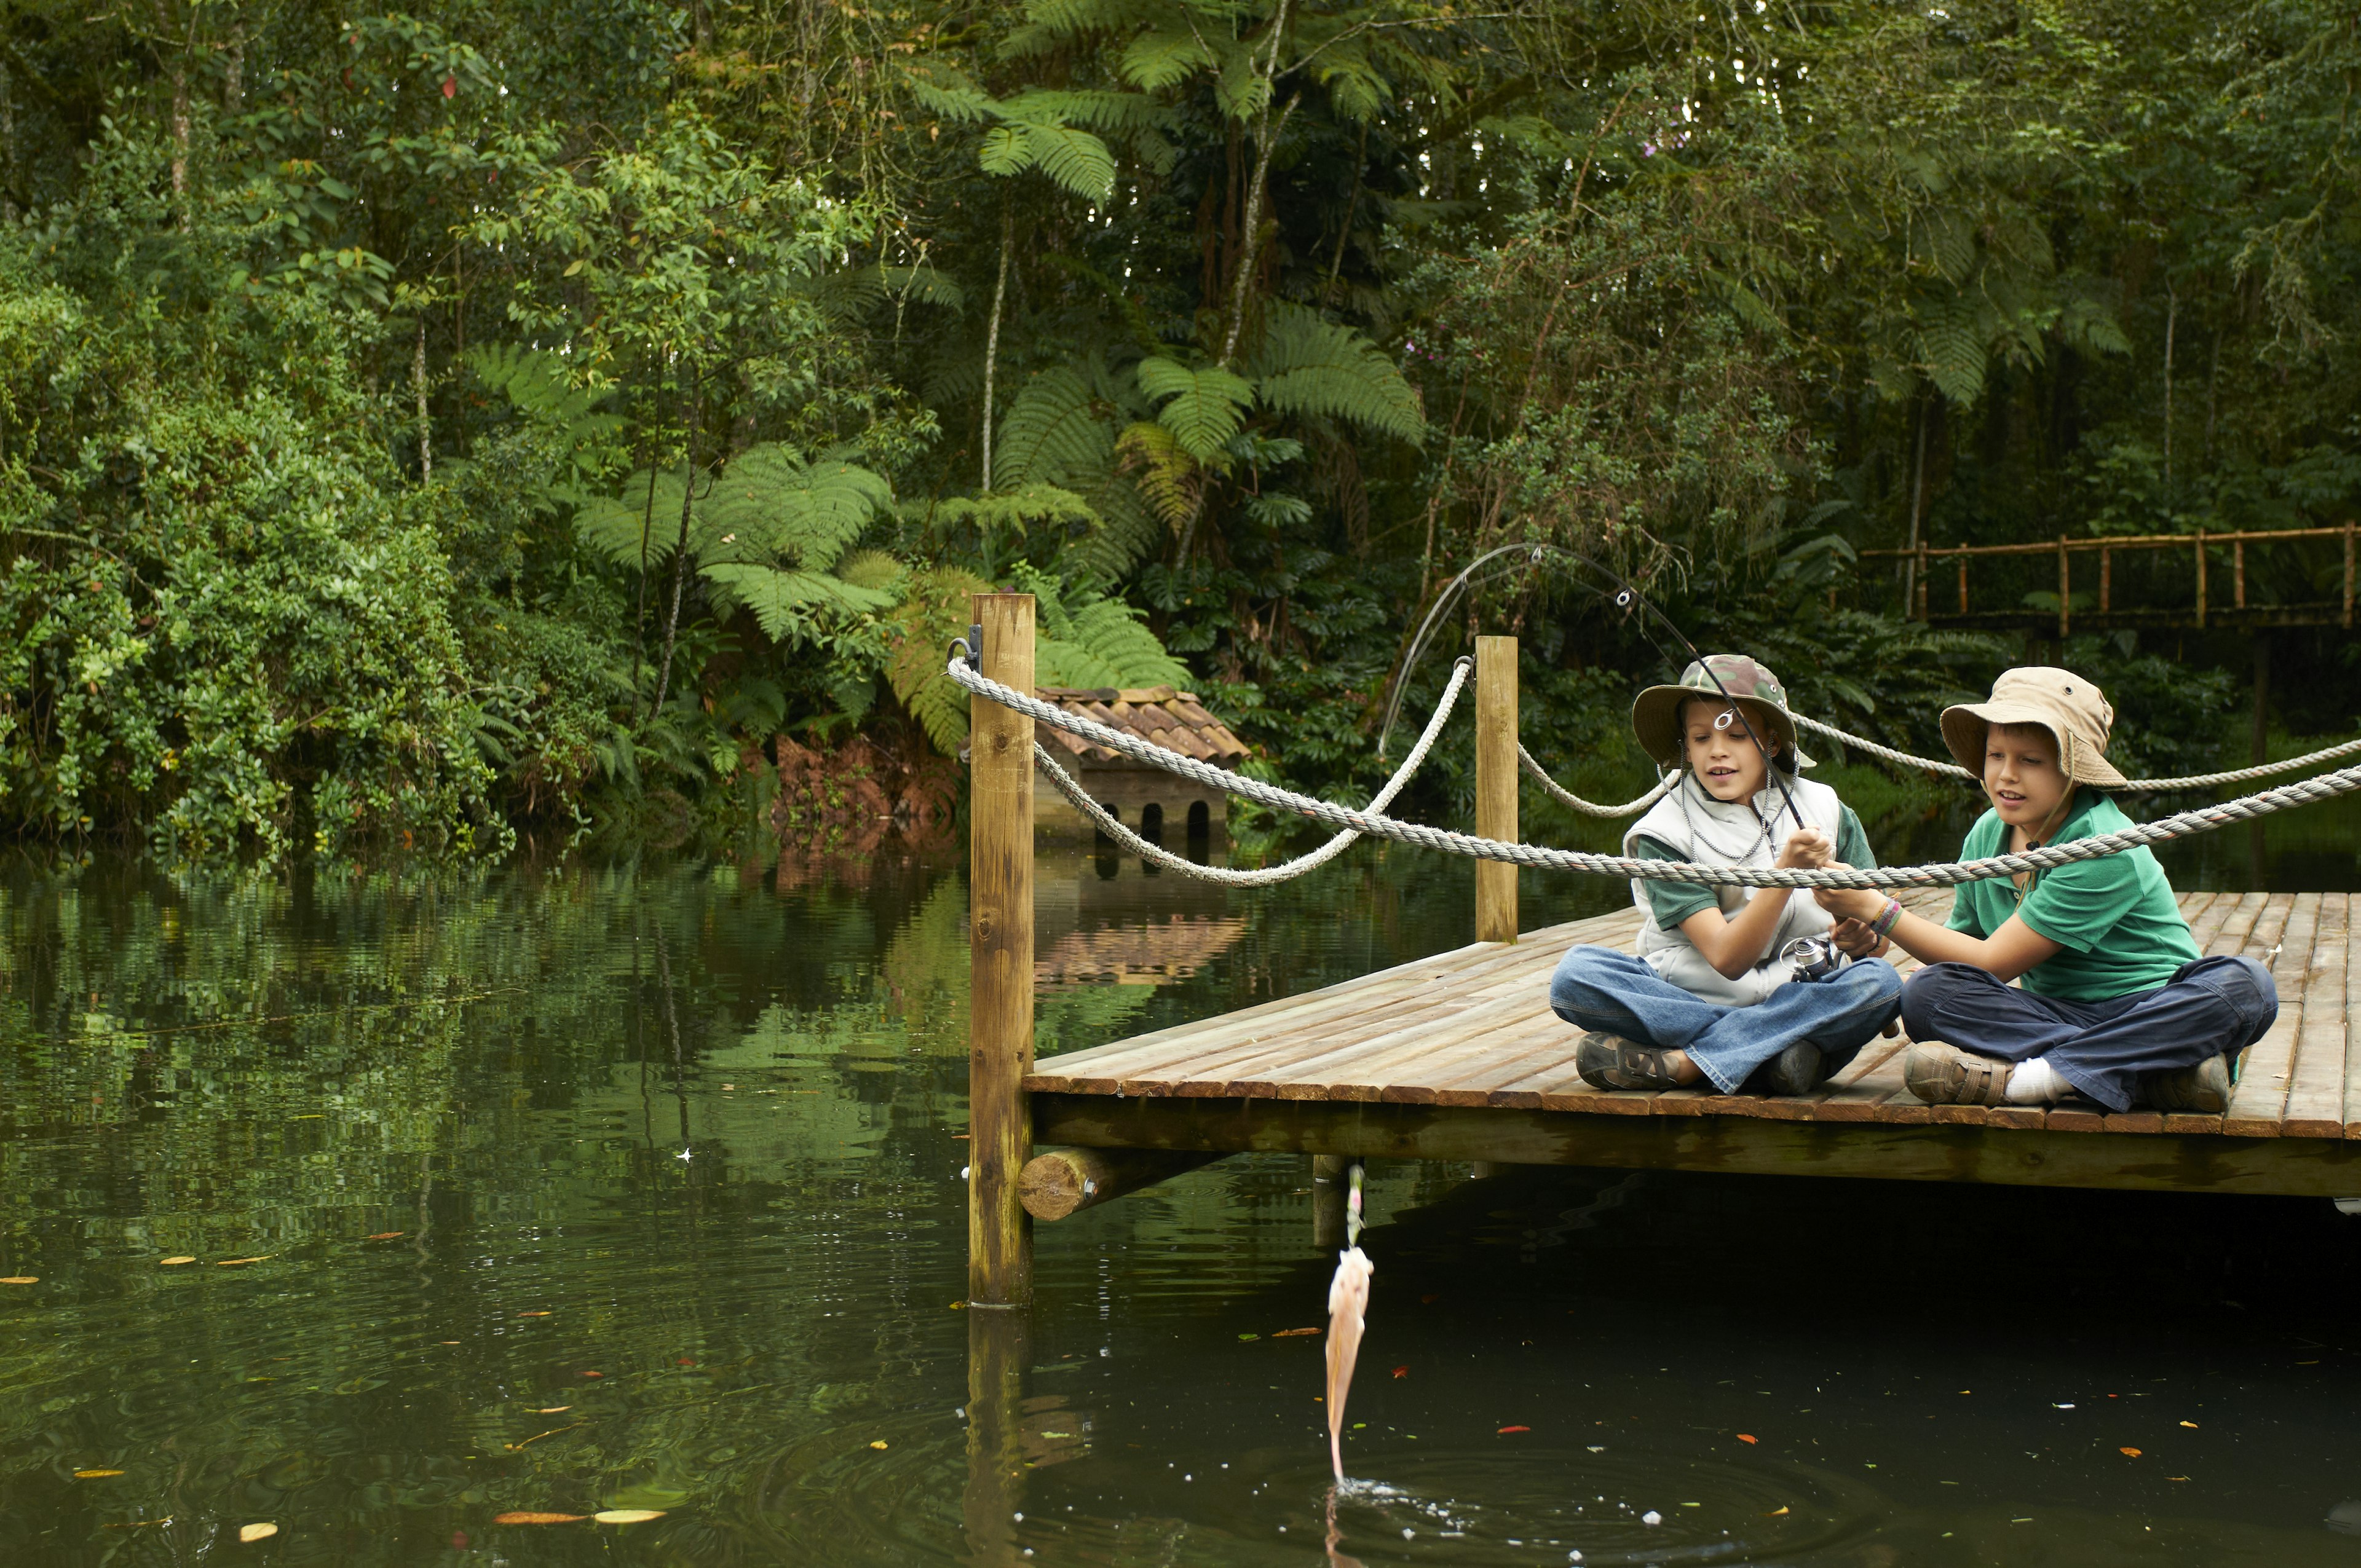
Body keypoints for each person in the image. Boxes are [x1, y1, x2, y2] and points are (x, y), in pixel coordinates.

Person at [1811, 666, 2277, 1113]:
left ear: (2074, 770)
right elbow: (1964, 960)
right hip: (2053, 1017)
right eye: (1996, 755)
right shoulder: (1986, 836)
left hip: (2153, 1011)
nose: (2006, 775)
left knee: (2248, 985)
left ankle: (2037, 1079)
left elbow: (1995, 961)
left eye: (2030, 760)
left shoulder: (2102, 843)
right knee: (1928, 993)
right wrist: (1873, 938)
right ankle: (2151, 1076)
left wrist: (1882, 908)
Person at [1552, 655, 1904, 1097]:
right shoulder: (1662, 833)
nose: (1717, 750)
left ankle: (1688, 1065)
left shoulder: (1829, 808)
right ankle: (1775, 1053)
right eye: (1701, 737)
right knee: (1576, 976)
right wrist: (1786, 875)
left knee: (1880, 984)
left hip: (1802, 994)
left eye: (1737, 735)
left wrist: (1863, 937)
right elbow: (1728, 959)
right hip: (1693, 998)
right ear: (1684, 746)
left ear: (1772, 743)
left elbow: (1879, 942)